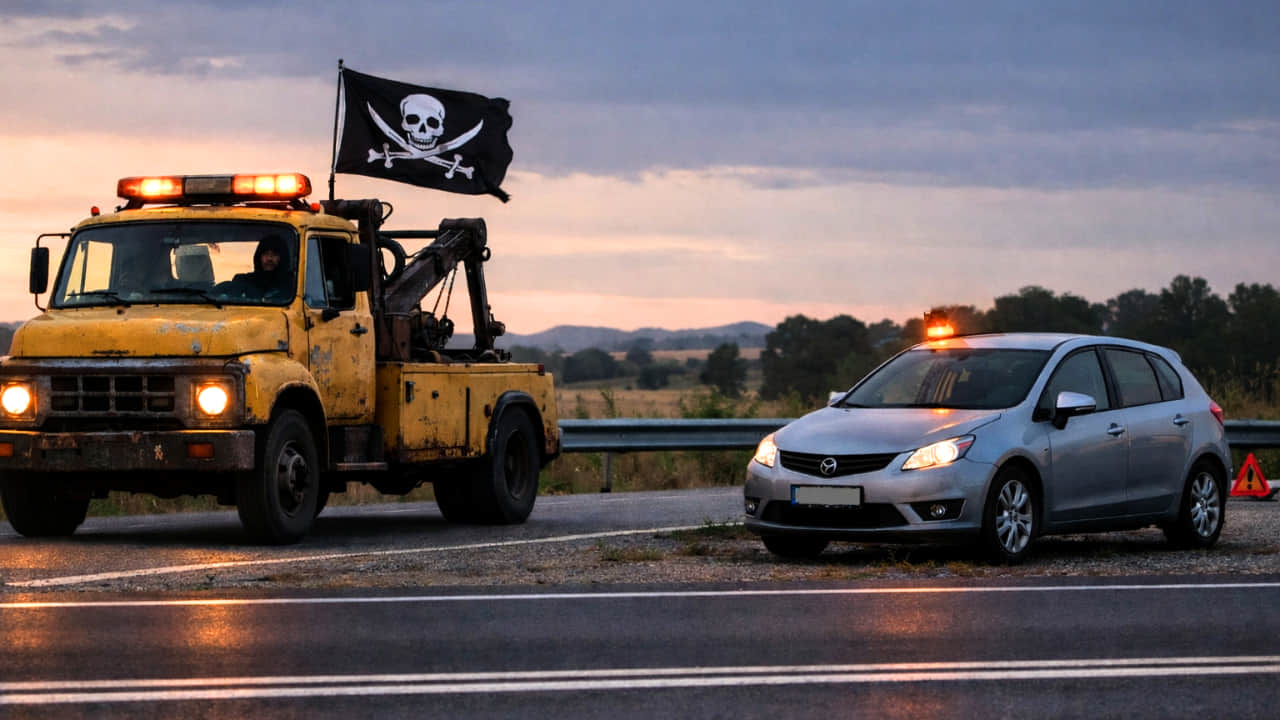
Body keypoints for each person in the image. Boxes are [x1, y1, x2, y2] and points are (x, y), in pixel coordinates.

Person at [228, 234, 292, 300]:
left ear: (282, 258)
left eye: (274, 254)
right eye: (265, 254)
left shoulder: (292, 284)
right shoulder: (244, 281)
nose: (269, 258)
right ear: (259, 257)